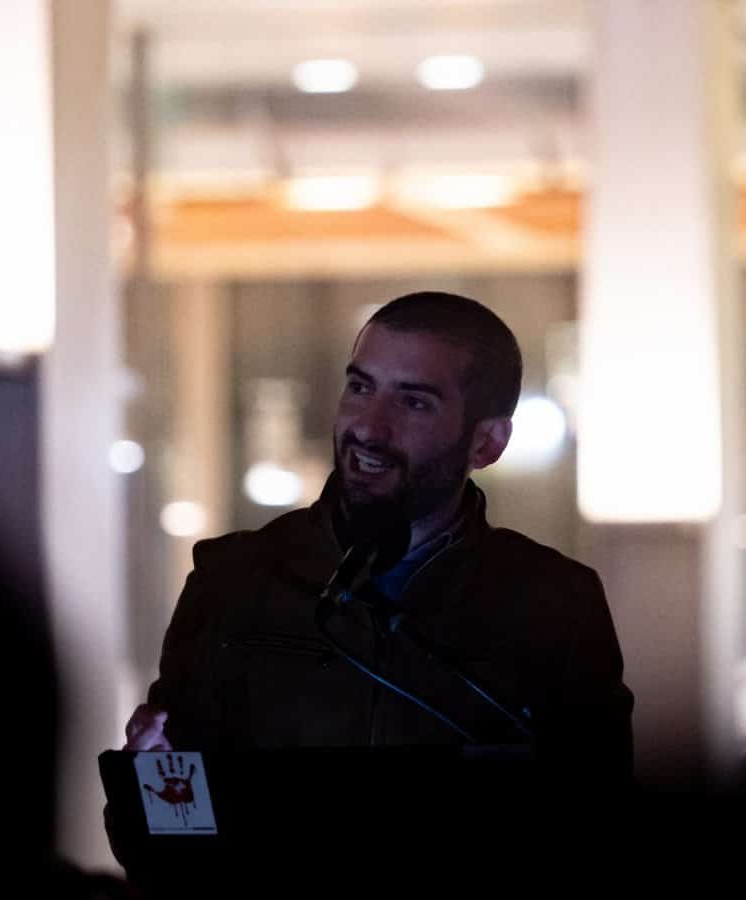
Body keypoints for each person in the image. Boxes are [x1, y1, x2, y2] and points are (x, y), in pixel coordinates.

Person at [122, 291, 634, 780]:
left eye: (413, 403)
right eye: (360, 388)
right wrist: (149, 780)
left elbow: (603, 816)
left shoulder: (557, 603)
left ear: (486, 443)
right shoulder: (232, 578)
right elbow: (165, 820)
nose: (368, 427)